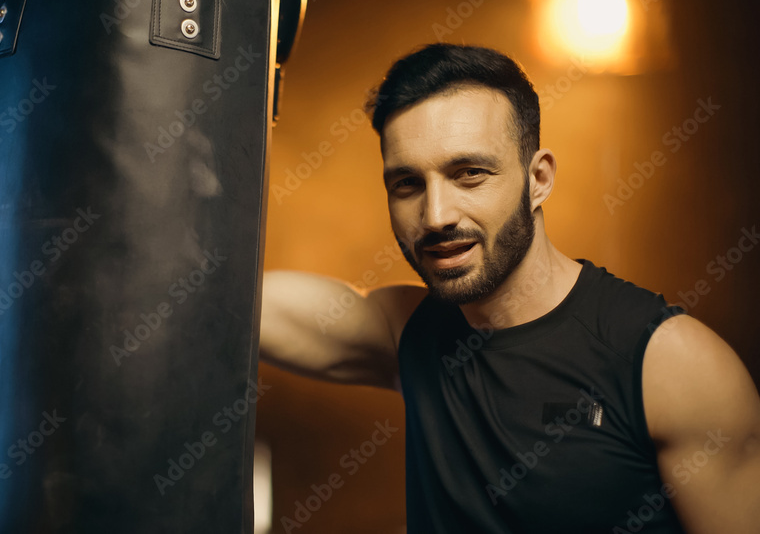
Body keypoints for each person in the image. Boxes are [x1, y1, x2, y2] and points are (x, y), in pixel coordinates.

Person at [259, 44, 760, 533]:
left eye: (469, 174)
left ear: (537, 179)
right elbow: (230, 306)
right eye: (408, 184)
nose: (436, 216)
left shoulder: (670, 363)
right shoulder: (407, 331)